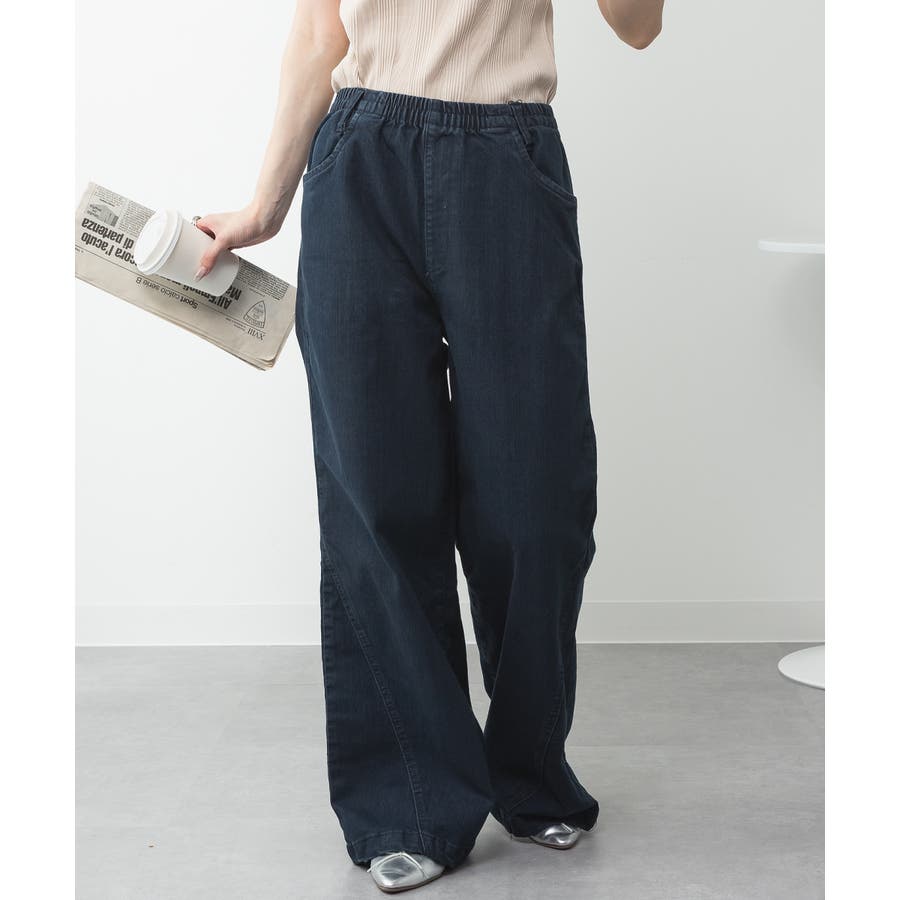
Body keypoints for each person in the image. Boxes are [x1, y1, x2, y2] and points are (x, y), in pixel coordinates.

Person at [195, 0, 664, 892]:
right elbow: (322, 32)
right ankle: (410, 800)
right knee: (377, 501)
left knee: (536, 502)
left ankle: (531, 770)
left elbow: (637, 26)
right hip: (360, 157)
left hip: (508, 157)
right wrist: (265, 205)